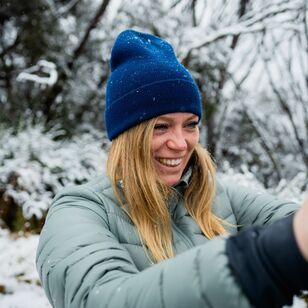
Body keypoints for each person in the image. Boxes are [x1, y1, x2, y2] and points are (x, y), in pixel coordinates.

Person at [36, 29, 308, 308]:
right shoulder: (79, 209)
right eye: (161, 126)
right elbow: (100, 299)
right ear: (128, 135)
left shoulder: (214, 194)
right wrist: (263, 261)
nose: (180, 144)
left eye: (190, 124)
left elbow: (293, 221)